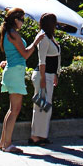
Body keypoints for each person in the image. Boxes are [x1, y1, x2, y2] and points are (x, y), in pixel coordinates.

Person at [0, 7, 44, 153]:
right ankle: (7, 144)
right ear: (15, 20)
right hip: (16, 71)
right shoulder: (13, 34)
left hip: (11, 71)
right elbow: (25, 54)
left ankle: (3, 142)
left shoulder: (7, 34)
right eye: (22, 20)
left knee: (12, 110)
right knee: (15, 109)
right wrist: (36, 42)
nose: (23, 23)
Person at [29, 13, 61, 146]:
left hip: (48, 75)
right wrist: (42, 78)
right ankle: (35, 136)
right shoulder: (43, 37)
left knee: (46, 107)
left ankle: (42, 135)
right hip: (43, 75)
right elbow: (42, 61)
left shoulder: (49, 37)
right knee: (41, 107)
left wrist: (55, 74)